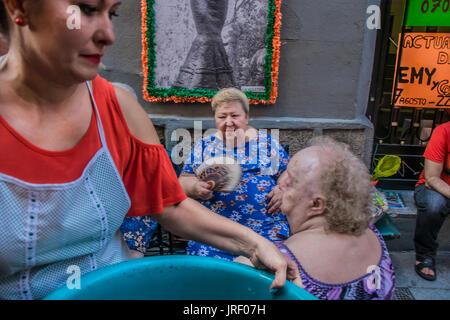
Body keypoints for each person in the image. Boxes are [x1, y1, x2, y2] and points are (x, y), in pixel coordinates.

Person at [0, 0, 299, 300]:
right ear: (18, 7)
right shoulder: (205, 144)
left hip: (112, 291)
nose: (108, 34)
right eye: (87, 9)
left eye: (112, 13)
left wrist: (255, 244)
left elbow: (169, 204)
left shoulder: (119, 108)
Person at [235, 136, 396, 300]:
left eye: (291, 181)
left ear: (317, 204)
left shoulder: (282, 262)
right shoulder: (370, 231)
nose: (280, 183)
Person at [179, 87, 290, 260]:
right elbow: (183, 180)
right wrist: (195, 187)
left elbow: (288, 173)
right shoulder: (204, 146)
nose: (228, 122)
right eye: (222, 117)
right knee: (208, 272)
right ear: (215, 119)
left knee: (269, 270)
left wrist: (283, 188)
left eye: (234, 116)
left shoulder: (267, 143)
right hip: (215, 234)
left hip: (265, 230)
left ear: (246, 117)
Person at [413, 121, 450, 281]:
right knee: (434, 205)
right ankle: (425, 255)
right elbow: (431, 178)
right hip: (434, 188)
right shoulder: (443, 131)